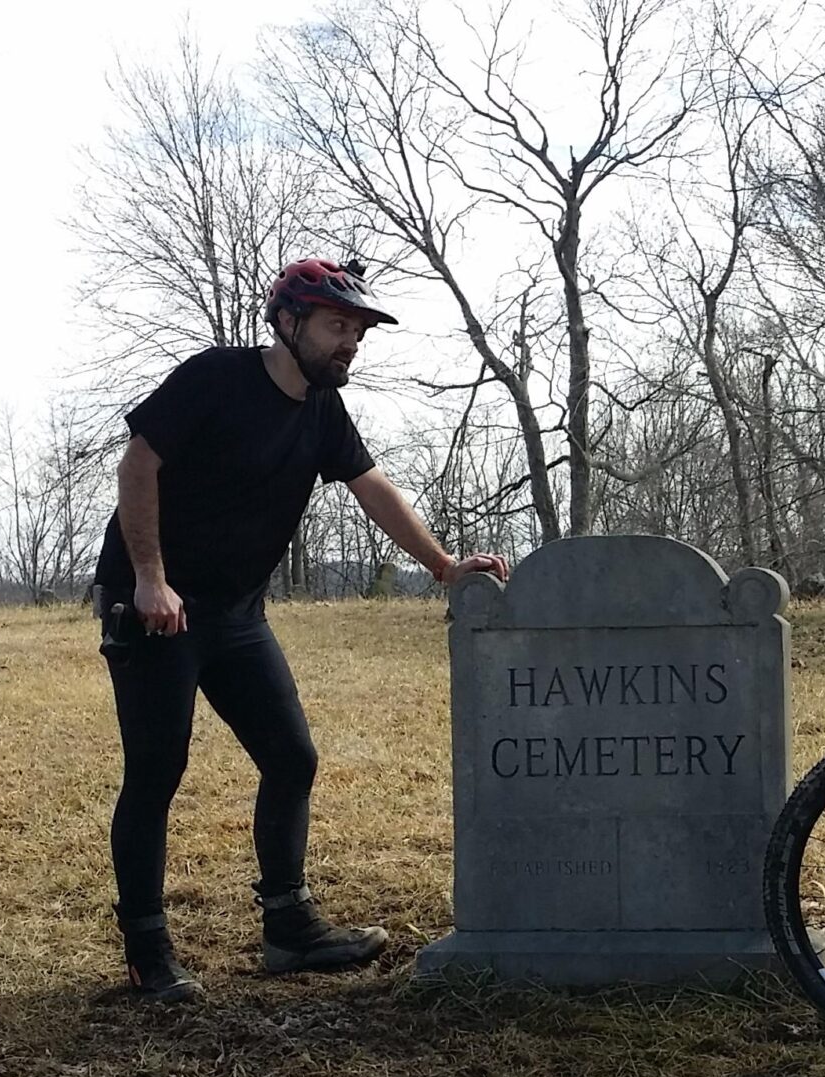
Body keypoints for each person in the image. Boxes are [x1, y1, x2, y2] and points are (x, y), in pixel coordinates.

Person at [90, 258, 510, 1003]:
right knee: (156, 773)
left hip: (237, 615)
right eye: (337, 327)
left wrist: (445, 566)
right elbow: (138, 465)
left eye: (357, 331)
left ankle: (289, 929)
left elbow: (371, 486)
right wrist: (151, 577)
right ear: (288, 323)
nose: (350, 343)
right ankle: (147, 952)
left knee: (291, 756)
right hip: (155, 608)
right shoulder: (214, 378)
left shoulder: (321, 408)